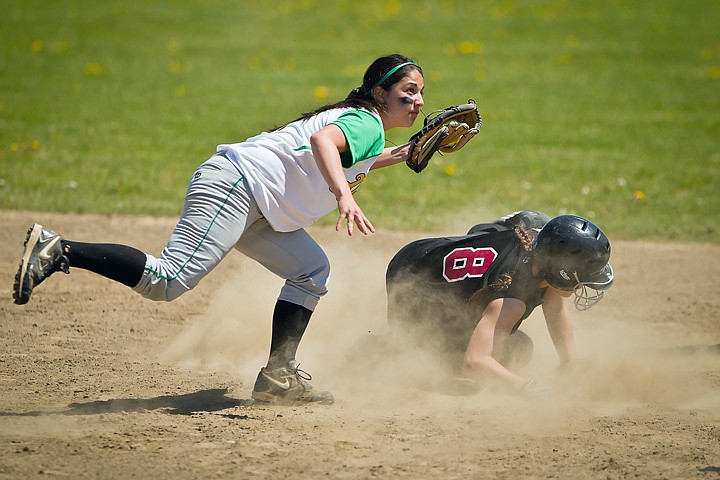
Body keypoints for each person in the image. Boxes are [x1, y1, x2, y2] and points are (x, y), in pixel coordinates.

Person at [12, 53, 427, 406]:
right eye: (407, 91)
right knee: (168, 281)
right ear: (378, 94)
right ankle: (58, 249)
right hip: (237, 187)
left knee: (311, 270)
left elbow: (353, 155)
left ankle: (278, 378)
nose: (417, 101)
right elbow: (322, 142)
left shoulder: (365, 127)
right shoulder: (366, 122)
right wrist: (344, 196)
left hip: (261, 206)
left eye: (421, 93)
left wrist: (405, 153)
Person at [385, 210, 614, 396]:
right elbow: (474, 362)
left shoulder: (538, 239)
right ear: (560, 274)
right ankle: (386, 352)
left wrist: (569, 360)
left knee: (512, 347)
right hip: (412, 282)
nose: (585, 284)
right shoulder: (512, 299)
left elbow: (554, 309)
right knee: (512, 353)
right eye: (583, 277)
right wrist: (526, 386)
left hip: (429, 255)